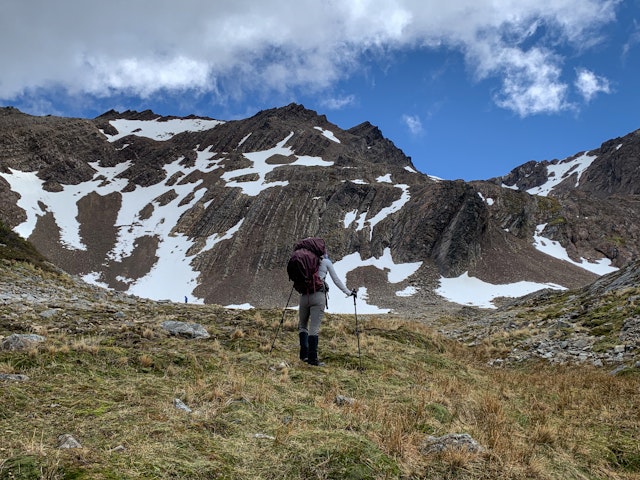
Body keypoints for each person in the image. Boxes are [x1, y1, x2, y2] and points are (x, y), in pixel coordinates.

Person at [298, 250, 356, 366]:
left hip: (304, 296)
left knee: (302, 325)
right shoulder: (325, 262)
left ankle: (303, 355)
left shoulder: (304, 261)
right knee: (314, 328)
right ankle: (313, 359)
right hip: (318, 296)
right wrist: (349, 292)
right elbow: (336, 280)